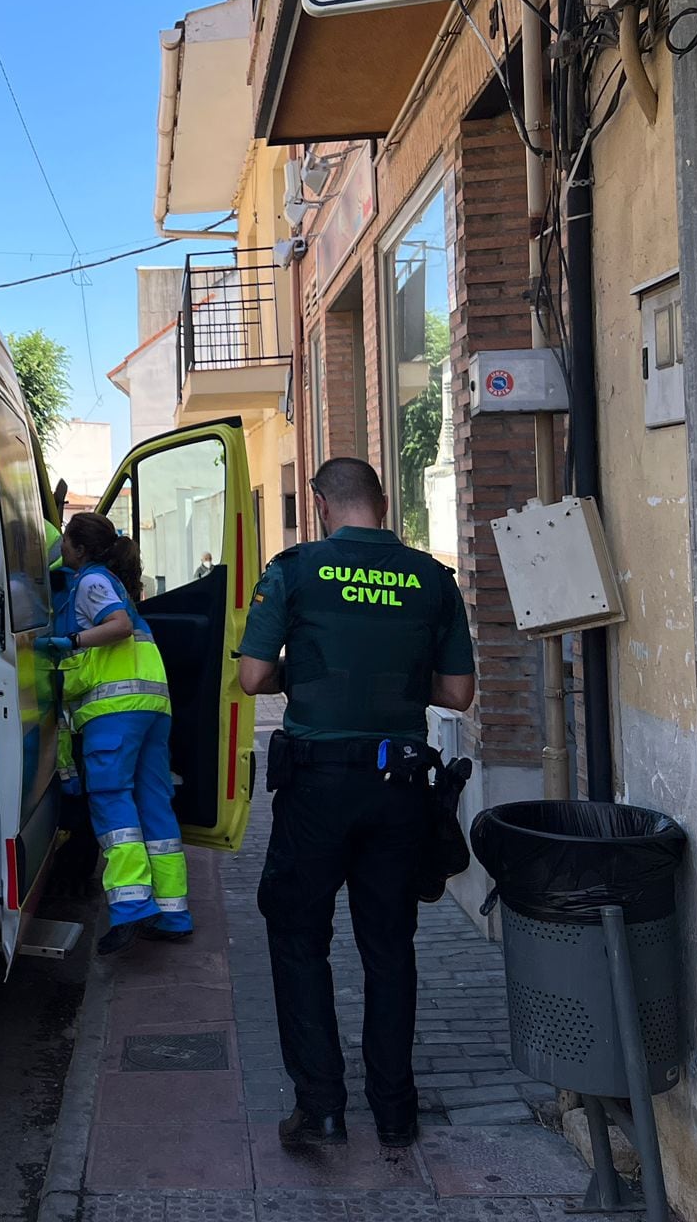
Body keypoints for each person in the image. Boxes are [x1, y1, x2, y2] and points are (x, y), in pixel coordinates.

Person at [237, 457, 475, 1151]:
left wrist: (309, 672)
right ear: (380, 501)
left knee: (300, 939)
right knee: (389, 947)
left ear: (319, 504)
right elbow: (459, 694)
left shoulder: (295, 569)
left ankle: (322, 1109)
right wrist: (393, 683)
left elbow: (252, 676)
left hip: (317, 787)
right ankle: (396, 1114)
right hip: (400, 787)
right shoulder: (432, 578)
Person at [41, 511, 194, 955]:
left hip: (116, 709)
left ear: (80, 549)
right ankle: (172, 913)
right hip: (151, 705)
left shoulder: (92, 582)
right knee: (153, 805)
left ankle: (130, 908)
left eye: (66, 541)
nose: (62, 549)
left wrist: (70, 643)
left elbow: (119, 627)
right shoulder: (111, 581)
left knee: (111, 799)